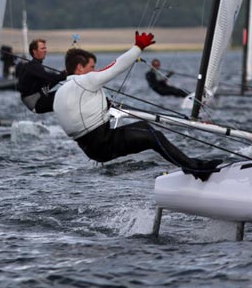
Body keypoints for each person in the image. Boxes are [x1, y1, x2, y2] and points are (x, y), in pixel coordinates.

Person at [53, 32, 222, 181]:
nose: (95, 71)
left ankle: (192, 165)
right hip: (102, 142)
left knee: (145, 128)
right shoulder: (85, 81)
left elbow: (78, 115)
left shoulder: (61, 91)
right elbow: (115, 66)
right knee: (152, 136)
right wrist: (138, 47)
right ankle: (195, 169)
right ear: (80, 68)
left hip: (91, 147)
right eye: (92, 67)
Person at [17, 38, 67, 114]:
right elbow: (48, 77)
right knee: (66, 94)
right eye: (42, 48)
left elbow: (50, 80)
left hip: (38, 96)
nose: (45, 50)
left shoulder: (35, 66)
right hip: (35, 102)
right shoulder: (33, 66)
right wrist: (63, 75)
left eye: (45, 48)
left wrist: (62, 75)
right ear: (34, 51)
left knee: (64, 90)